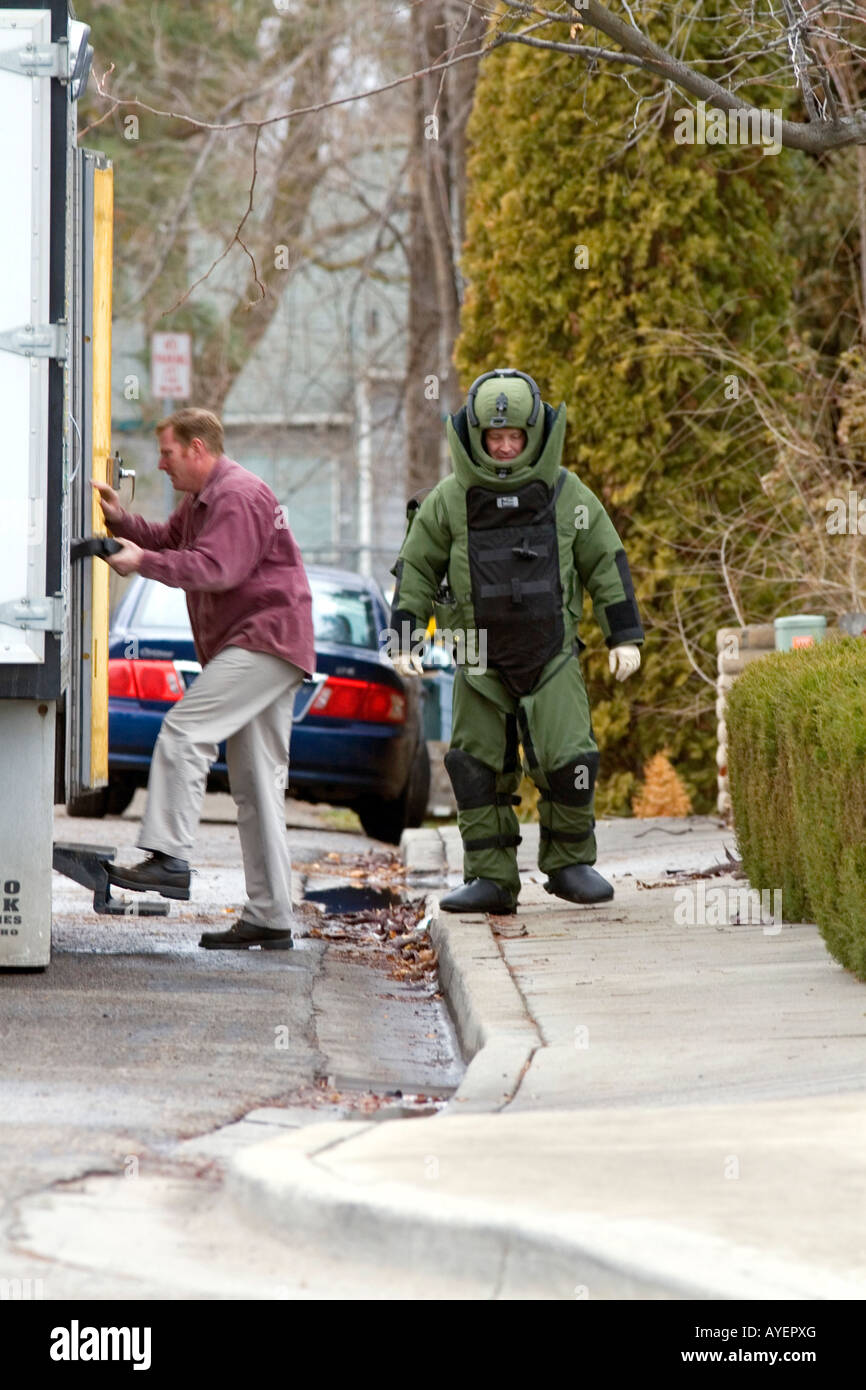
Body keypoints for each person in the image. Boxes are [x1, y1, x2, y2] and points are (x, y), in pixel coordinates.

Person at [388, 368, 643, 914]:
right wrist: (405, 637)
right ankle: (490, 877)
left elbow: (606, 561)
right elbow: (416, 569)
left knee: (570, 758)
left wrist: (624, 635)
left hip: (550, 652)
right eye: (493, 438)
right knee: (476, 767)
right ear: (476, 437)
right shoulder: (449, 501)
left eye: (514, 438)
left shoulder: (567, 493)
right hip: (478, 660)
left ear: (534, 435)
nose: (503, 448)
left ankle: (571, 862)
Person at [91, 408, 315, 950]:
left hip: (263, 640)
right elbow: (170, 542)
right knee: (258, 787)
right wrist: (123, 523)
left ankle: (168, 857)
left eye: (167, 453)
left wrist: (141, 561)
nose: (161, 465)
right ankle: (271, 915)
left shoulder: (238, 495)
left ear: (197, 449)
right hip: (266, 643)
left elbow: (216, 568)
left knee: (185, 730)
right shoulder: (201, 502)